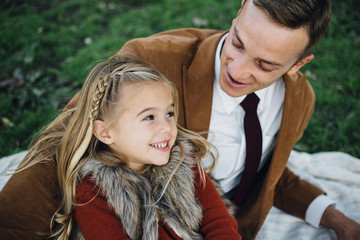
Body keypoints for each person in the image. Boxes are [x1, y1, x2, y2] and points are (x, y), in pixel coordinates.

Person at [0, 0, 359, 239]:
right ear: (236, 16)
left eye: (265, 65)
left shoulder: (299, 99)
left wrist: (335, 220)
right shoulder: (151, 62)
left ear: (297, 66)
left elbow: (271, 174)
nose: (236, 69)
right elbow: (61, 147)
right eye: (237, 42)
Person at [1, 56, 242, 240]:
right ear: (105, 132)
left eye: (169, 113)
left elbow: (219, 221)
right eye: (149, 117)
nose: (167, 128)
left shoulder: (183, 162)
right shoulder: (92, 191)